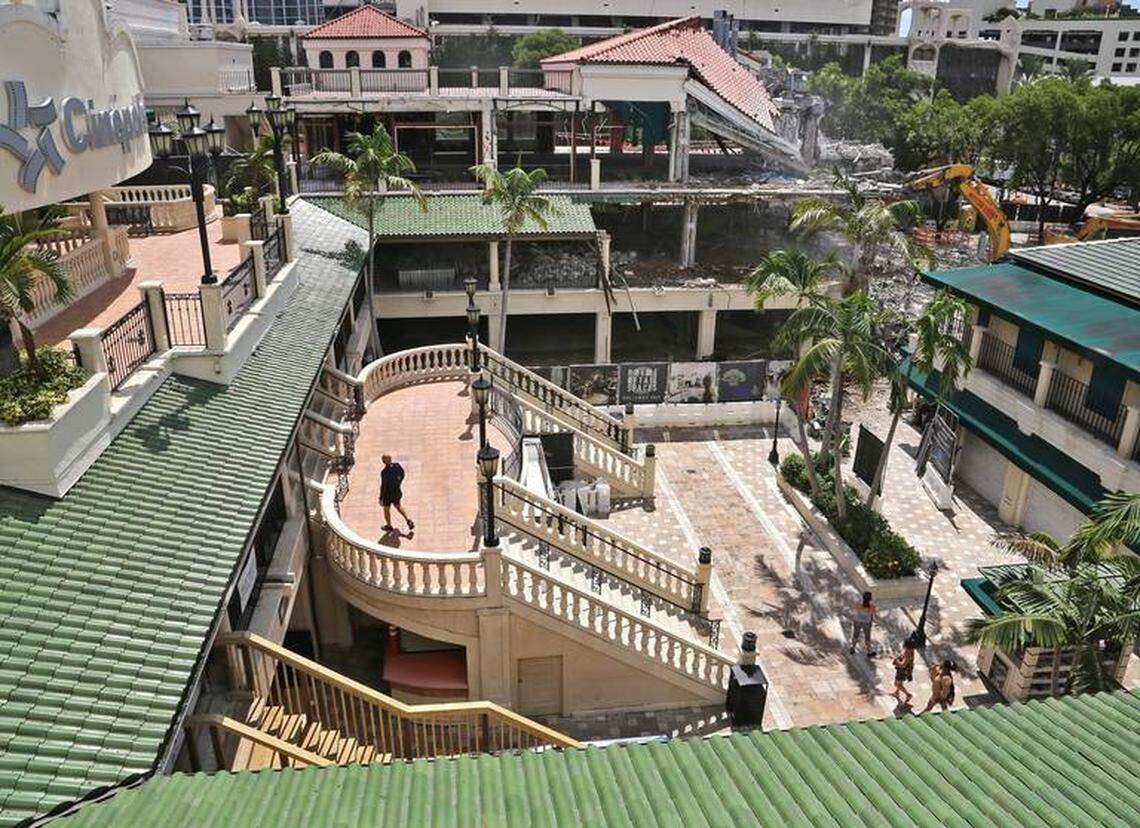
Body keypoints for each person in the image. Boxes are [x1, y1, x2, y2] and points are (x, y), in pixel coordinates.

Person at [379, 454, 414, 533]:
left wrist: (381, 497)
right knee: (398, 506)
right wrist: (399, 482)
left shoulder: (384, 472)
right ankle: (408, 519)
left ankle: (389, 526)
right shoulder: (397, 466)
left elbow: (383, 486)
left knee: (386, 509)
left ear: (384, 461)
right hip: (397, 491)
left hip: (388, 494)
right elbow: (402, 474)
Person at [849, 591, 876, 656]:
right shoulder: (872, 606)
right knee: (867, 637)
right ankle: (869, 652)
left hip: (857, 620)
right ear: (870, 598)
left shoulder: (858, 603)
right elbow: (872, 615)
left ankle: (853, 648)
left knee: (855, 635)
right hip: (866, 622)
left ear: (863, 597)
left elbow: (855, 609)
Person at [892, 639, 916, 704]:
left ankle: (908, 695)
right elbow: (902, 656)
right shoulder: (909, 651)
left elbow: (903, 665)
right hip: (904, 670)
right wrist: (899, 657)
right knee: (900, 683)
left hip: (902, 671)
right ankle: (897, 692)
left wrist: (896, 661)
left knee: (896, 684)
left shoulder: (908, 654)